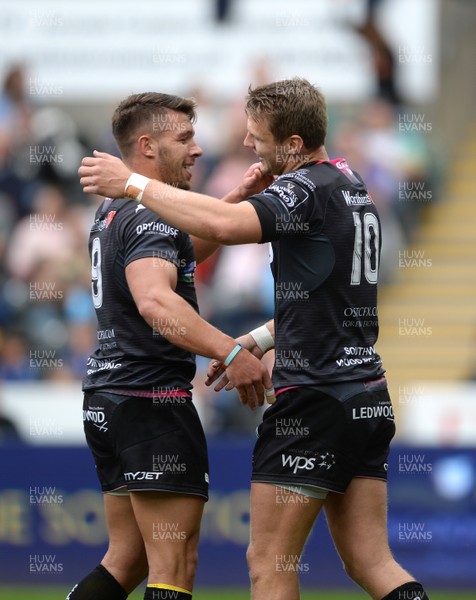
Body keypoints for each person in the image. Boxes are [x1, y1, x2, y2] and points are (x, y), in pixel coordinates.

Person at [78, 78, 430, 600]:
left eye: (257, 137)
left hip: (311, 396)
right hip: (364, 394)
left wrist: (131, 182)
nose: (245, 146)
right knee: (371, 561)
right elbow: (330, 304)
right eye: (187, 138)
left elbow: (220, 231)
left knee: (268, 562)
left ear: (292, 145)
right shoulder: (351, 184)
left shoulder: (301, 188)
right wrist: (260, 339)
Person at [69, 92, 274, 600]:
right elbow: (157, 301)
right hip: (151, 402)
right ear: (147, 147)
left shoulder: (118, 211)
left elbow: (178, 256)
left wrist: (233, 204)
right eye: (184, 139)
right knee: (174, 564)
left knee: (128, 558)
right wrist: (231, 351)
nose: (198, 150)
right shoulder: (150, 216)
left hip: (109, 400)